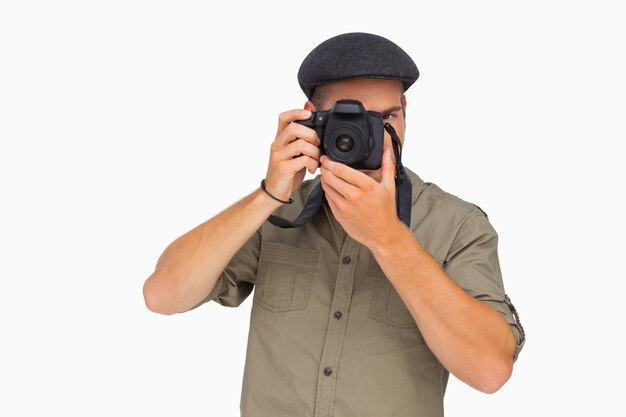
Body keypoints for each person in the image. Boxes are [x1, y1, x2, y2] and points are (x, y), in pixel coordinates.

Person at [142, 32, 525, 417]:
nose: (373, 135)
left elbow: (490, 371)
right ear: (312, 117)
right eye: (353, 119)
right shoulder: (279, 214)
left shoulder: (457, 225)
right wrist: (268, 196)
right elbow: (161, 295)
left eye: (387, 117)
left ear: (406, 110)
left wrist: (390, 239)